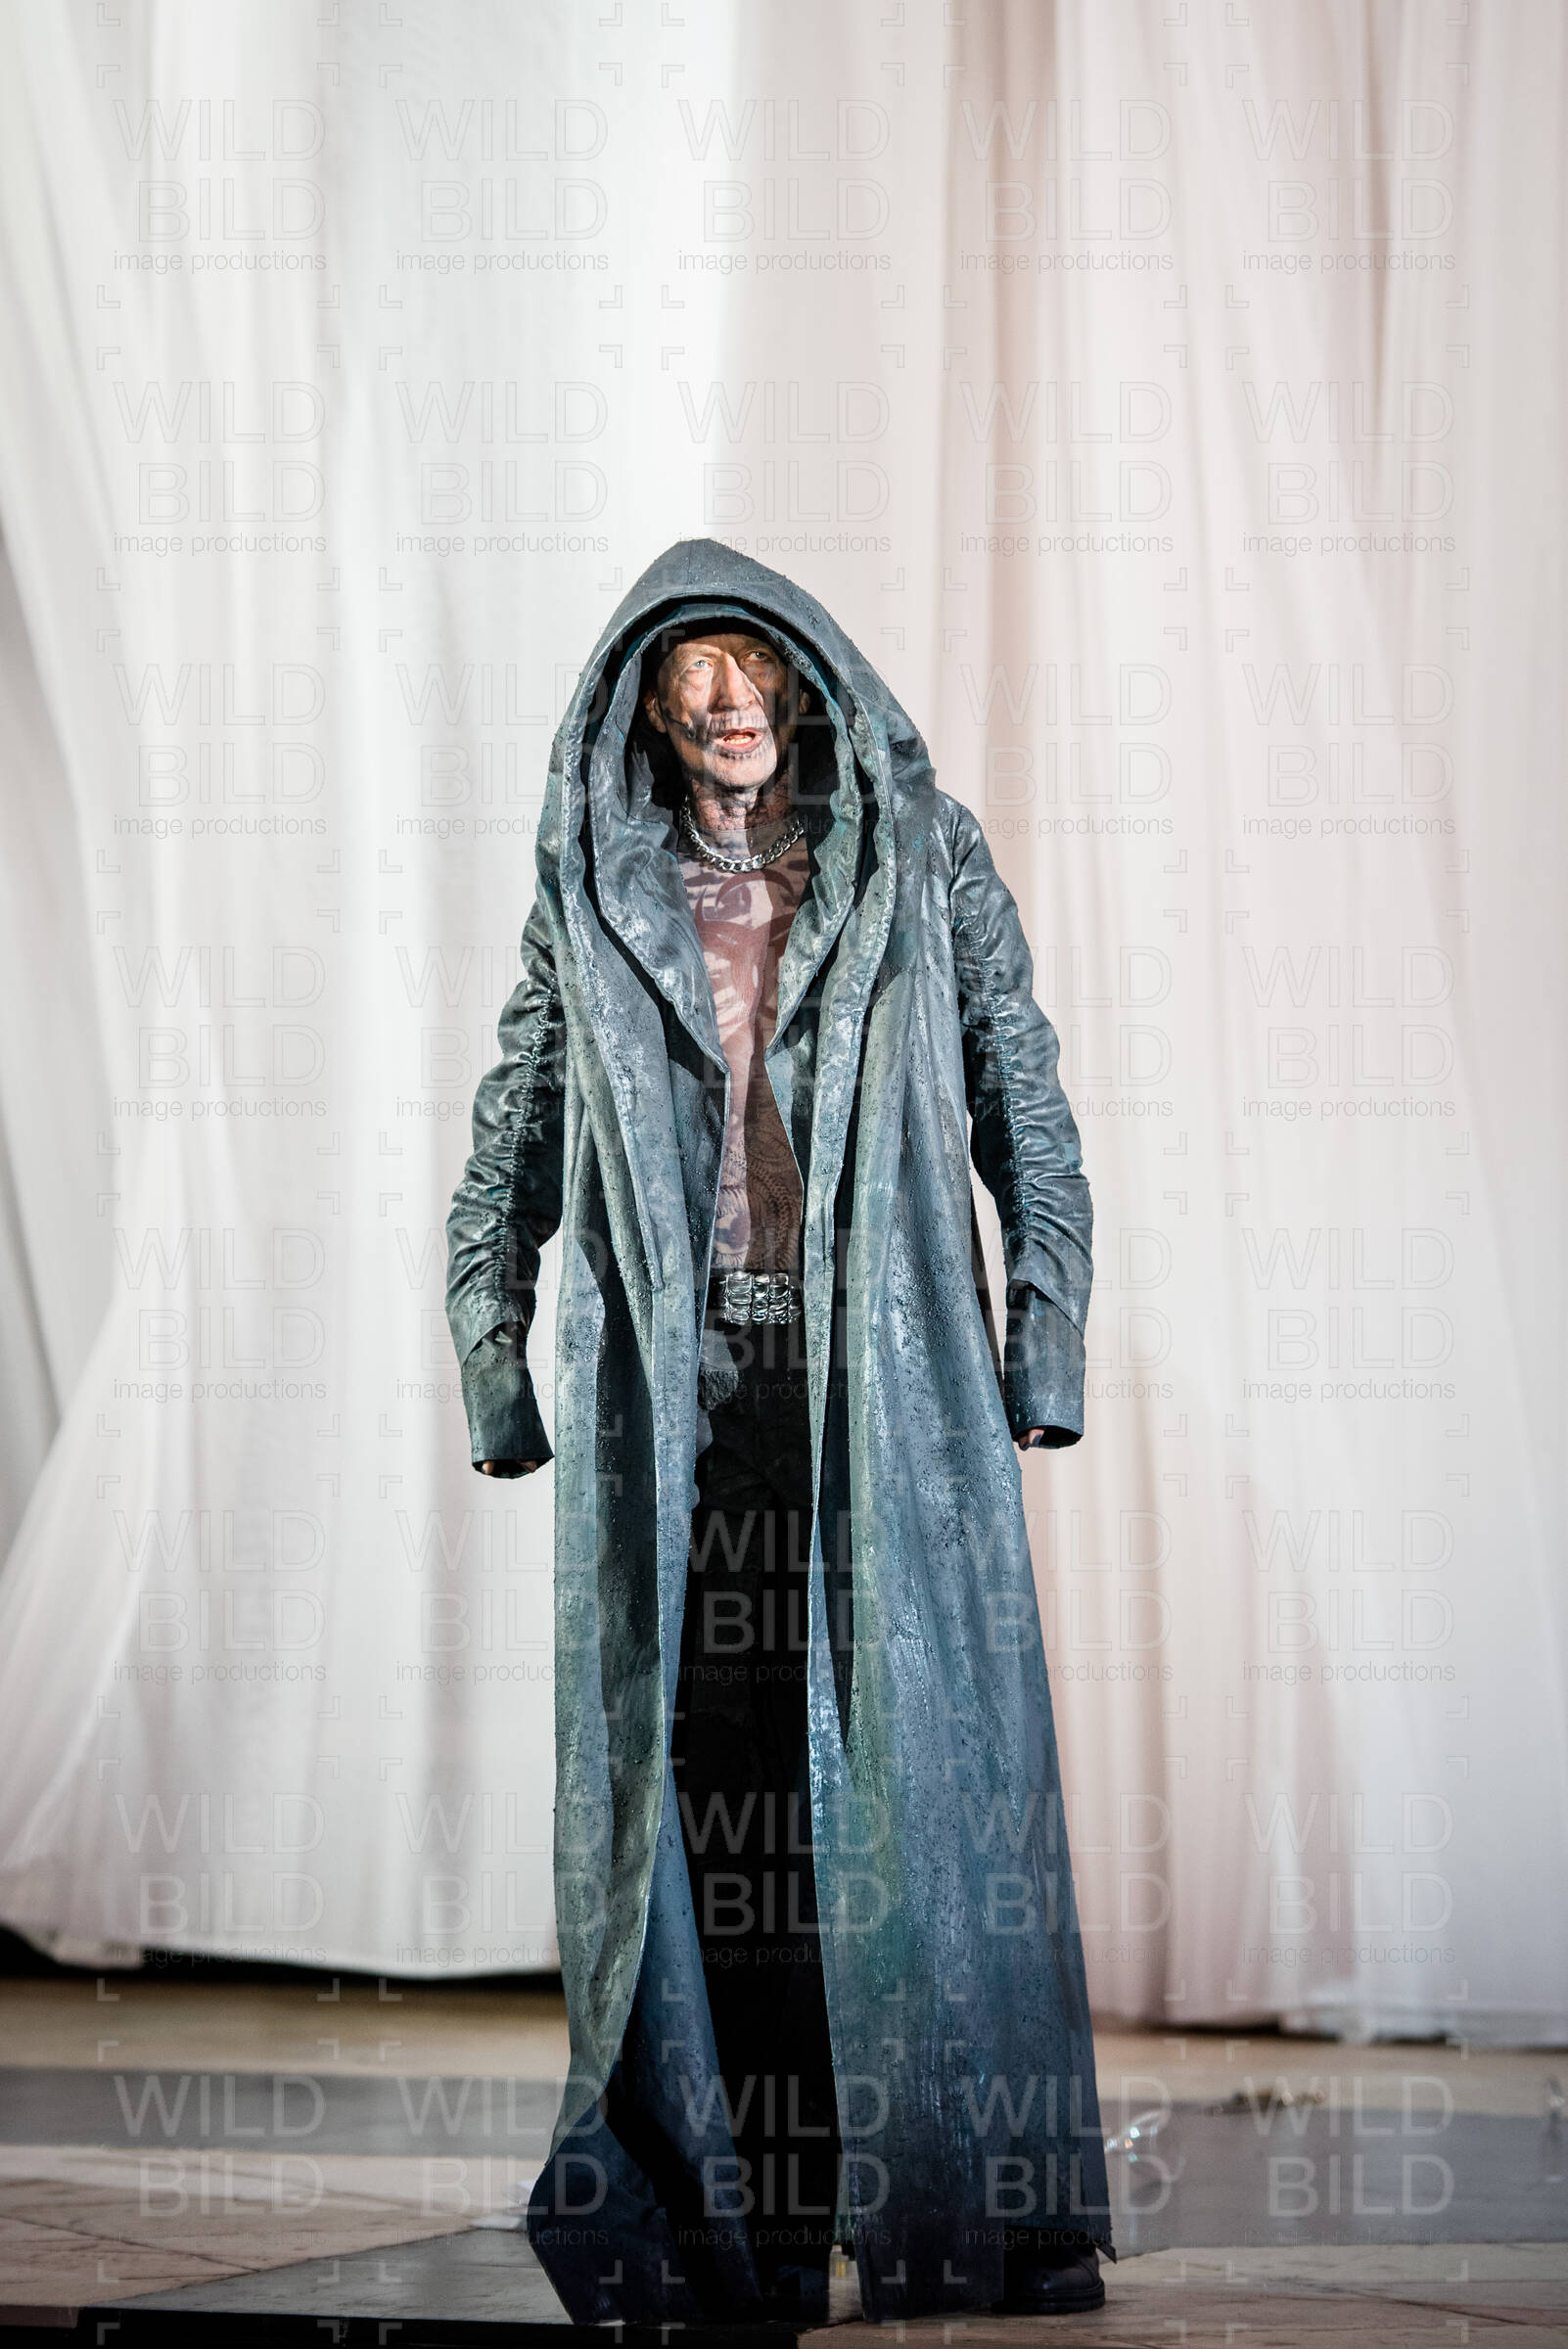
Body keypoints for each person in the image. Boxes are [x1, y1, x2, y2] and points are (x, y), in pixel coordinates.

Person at [445, 540, 1113, 2325]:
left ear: (804, 683)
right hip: (690, 1404)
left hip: (887, 1392)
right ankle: (743, 2207)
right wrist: (490, 1356)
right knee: (713, 1794)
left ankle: (976, 2205)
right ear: (645, 711)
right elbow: (515, 1123)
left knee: (917, 1790)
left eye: (751, 670)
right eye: (692, 680)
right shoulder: (595, 886)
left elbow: (1024, 1100)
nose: (727, 704)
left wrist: (1041, 1342)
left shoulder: (920, 853)